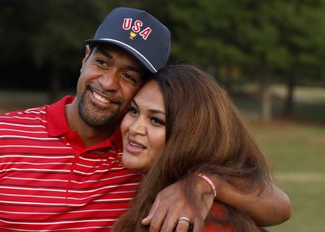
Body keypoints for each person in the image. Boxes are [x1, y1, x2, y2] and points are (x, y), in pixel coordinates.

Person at [0, 7, 290, 232]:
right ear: (84, 58)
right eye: (103, 62)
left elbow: (278, 207)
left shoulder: (144, 157)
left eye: (129, 76)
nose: (107, 83)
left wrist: (204, 183)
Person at [113, 64, 291, 231]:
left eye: (156, 120)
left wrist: (204, 184)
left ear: (190, 137)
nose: (134, 128)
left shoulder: (200, 217)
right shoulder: (148, 182)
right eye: (134, 111)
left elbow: (282, 206)